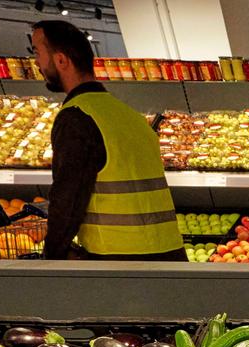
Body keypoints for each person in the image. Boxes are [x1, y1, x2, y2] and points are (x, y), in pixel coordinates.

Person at [30, 21, 181, 261]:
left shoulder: (77, 116)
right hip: (169, 252)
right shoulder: (128, 115)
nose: (35, 62)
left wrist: (53, 257)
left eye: (37, 52)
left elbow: (67, 199)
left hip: (119, 259)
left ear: (61, 60)